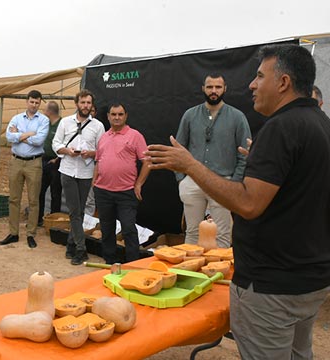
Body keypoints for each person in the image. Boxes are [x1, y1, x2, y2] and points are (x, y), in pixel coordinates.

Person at [146, 44, 330, 359]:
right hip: (310, 279)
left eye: (259, 76)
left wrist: (189, 165)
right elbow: (302, 187)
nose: (252, 85)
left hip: (272, 286)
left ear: (283, 82)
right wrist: (262, 164)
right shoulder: (321, 124)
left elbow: (248, 204)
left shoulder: (280, 127)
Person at [175, 73, 251, 248]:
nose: (214, 91)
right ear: (203, 89)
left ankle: (218, 272)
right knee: (191, 232)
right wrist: (181, 180)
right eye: (210, 87)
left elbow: (245, 153)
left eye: (218, 87)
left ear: (225, 89)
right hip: (192, 182)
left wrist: (235, 183)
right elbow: (178, 149)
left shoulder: (237, 117)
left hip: (223, 183)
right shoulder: (190, 115)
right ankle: (191, 272)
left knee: (223, 235)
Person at [52, 89, 104, 265]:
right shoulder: (66, 122)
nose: (85, 106)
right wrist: (67, 151)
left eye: (88, 103)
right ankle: (81, 250)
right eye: (82, 102)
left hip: (86, 173)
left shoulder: (98, 126)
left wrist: (91, 153)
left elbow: (102, 150)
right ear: (77, 104)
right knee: (75, 211)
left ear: (92, 105)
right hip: (67, 171)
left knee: (81, 211)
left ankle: (70, 244)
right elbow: (56, 143)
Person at [93, 102, 150, 264]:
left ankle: (133, 264)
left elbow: (147, 162)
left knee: (129, 229)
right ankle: (110, 262)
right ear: (108, 117)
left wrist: (138, 184)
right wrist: (94, 183)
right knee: (107, 229)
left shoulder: (135, 136)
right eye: (113, 114)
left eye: (120, 114)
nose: (117, 117)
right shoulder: (104, 136)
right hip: (103, 192)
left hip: (126, 192)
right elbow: (98, 161)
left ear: (126, 116)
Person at [0, 90, 49, 248]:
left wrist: (19, 135)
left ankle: (30, 233)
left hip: (34, 163)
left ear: (40, 103)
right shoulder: (16, 118)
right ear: (27, 101)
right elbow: (8, 137)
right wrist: (28, 134)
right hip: (16, 162)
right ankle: (13, 233)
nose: (34, 105)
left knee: (34, 200)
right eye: (32, 102)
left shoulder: (44, 120)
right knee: (14, 199)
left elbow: (39, 141)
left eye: (37, 102)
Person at [38, 101, 62, 227]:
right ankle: (38, 219)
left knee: (55, 192)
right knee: (40, 191)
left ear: (49, 111)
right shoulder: (46, 124)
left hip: (56, 162)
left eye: (44, 110)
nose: (43, 112)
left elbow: (66, 142)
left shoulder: (61, 124)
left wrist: (57, 158)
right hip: (44, 160)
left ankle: (55, 221)